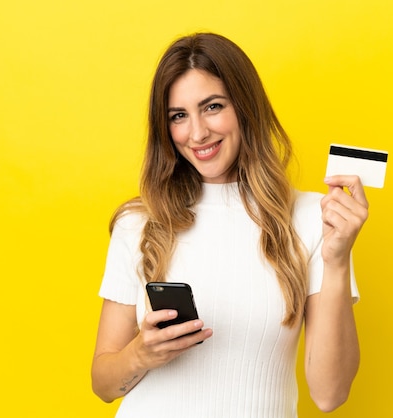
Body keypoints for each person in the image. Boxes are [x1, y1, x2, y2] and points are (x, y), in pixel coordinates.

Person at [91, 32, 369, 417]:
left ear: (244, 107)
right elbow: (103, 385)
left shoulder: (312, 219)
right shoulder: (140, 223)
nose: (197, 133)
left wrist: (337, 260)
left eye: (213, 106)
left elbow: (329, 394)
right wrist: (141, 354)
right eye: (178, 116)